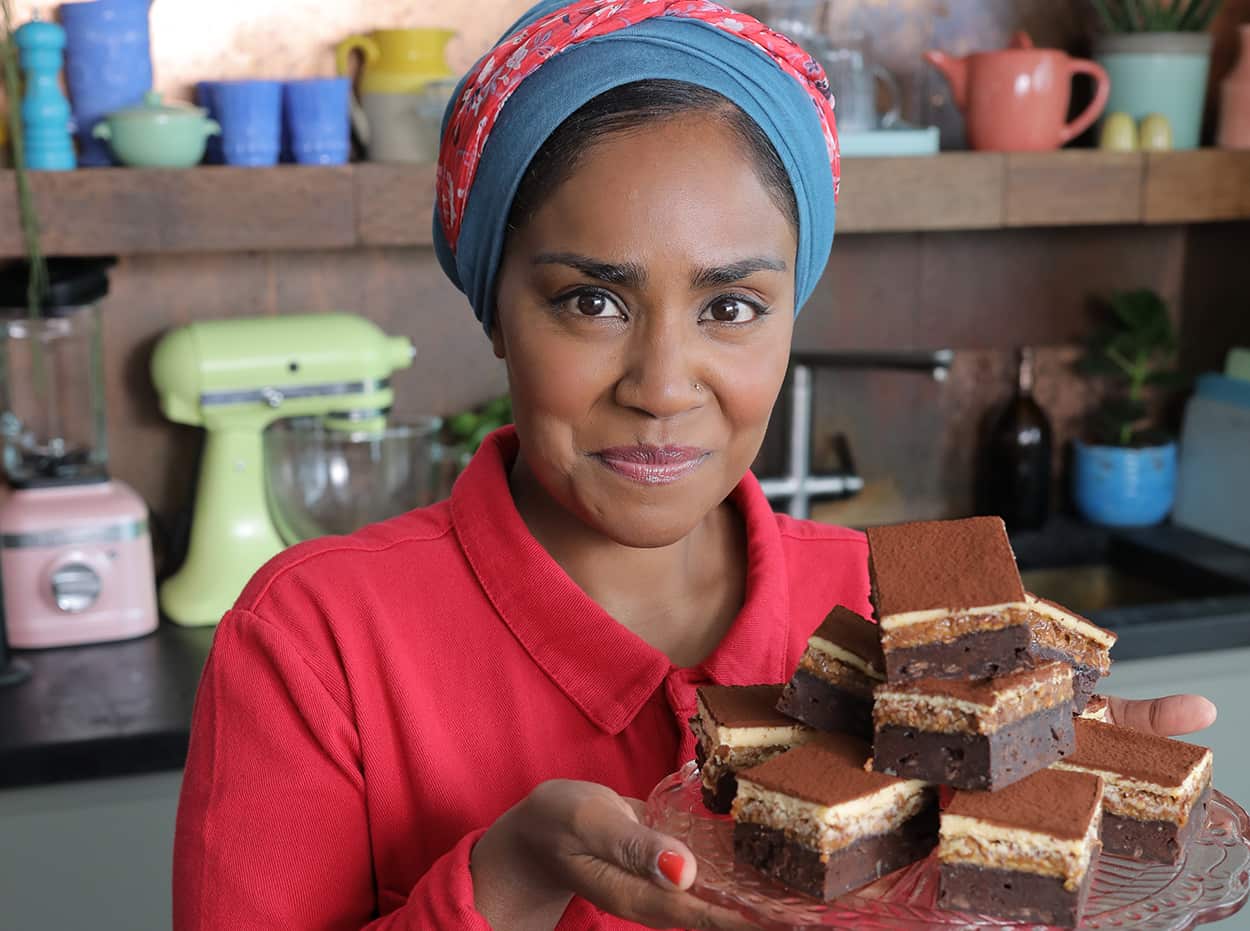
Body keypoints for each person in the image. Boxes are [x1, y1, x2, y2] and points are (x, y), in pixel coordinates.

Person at [172, 2, 1217, 929]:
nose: (663, 384)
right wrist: (507, 882)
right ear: (495, 309)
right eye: (590, 300)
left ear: (788, 314)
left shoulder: (894, 619)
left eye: (730, 306)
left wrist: (1032, 815)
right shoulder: (316, 642)